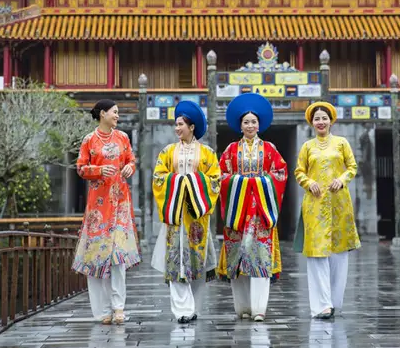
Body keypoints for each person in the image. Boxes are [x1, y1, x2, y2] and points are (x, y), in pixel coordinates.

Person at [216, 93, 287, 322]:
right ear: (240, 125)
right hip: (236, 213)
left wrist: (257, 182)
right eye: (246, 122)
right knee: (237, 259)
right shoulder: (229, 150)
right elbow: (220, 176)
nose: (250, 125)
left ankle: (259, 308)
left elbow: (280, 173)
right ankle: (242, 307)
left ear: (260, 124)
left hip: (260, 213)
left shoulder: (269, 149)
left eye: (253, 122)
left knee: (260, 260)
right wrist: (240, 182)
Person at [72, 99, 141, 325]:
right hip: (98, 208)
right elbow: (81, 168)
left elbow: (130, 159)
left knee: (118, 259)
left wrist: (130, 166)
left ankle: (119, 307)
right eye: (114, 112)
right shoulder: (88, 141)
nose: (117, 116)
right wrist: (99, 169)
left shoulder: (123, 137)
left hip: (120, 203)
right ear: (102, 114)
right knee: (96, 259)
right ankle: (102, 311)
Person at [151, 100, 220, 324]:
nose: (176, 128)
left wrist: (190, 181)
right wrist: (179, 181)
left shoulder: (208, 153)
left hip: (196, 215)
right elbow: (158, 177)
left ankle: (194, 306)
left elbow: (215, 180)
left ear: (192, 127)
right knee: (175, 261)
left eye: (180, 124)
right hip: (175, 215)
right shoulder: (168, 152)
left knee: (195, 260)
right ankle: (182, 310)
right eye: (176, 124)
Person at [292, 101, 360, 320]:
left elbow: (352, 167)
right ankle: (321, 305)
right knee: (317, 256)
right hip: (315, 204)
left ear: (331, 120)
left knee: (339, 255)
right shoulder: (307, 147)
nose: (321, 122)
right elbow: (298, 171)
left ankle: (335, 302)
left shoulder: (341, 143)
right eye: (317, 119)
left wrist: (342, 179)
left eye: (324, 118)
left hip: (339, 203)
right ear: (312, 122)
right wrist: (307, 182)